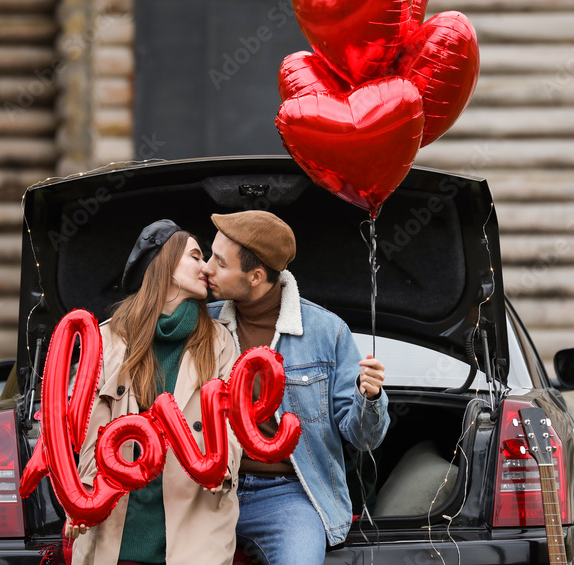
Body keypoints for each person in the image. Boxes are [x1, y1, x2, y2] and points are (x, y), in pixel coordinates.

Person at [202, 210, 390, 565]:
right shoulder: (203, 323)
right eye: (210, 255)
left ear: (256, 277)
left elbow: (363, 438)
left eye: (219, 262)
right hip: (209, 492)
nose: (207, 268)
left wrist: (371, 397)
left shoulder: (326, 331)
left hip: (288, 495)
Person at [67, 219, 241, 565]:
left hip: (195, 526)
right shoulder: (106, 340)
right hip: (117, 530)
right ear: (165, 265)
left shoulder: (220, 342)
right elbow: (87, 432)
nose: (206, 266)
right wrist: (82, 501)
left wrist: (221, 470)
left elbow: (233, 425)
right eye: (195, 256)